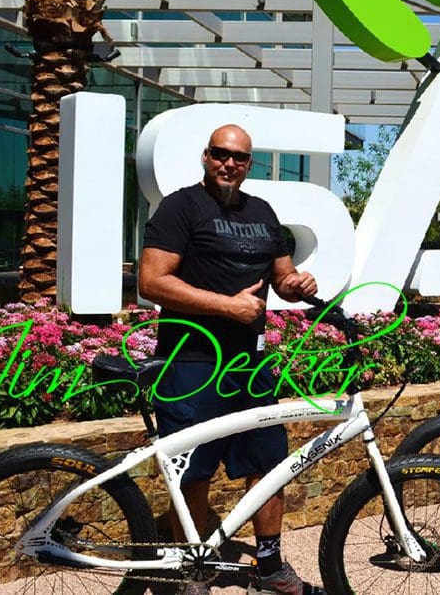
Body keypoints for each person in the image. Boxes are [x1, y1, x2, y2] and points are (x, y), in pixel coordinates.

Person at [139, 124, 323, 595]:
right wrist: (227, 306)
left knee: (268, 461)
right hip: (191, 361)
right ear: (206, 156)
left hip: (250, 365)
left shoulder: (262, 213)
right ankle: (192, 571)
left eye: (239, 158)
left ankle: (269, 564)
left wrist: (297, 285)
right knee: (194, 469)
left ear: (248, 163)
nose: (229, 164)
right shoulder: (179, 208)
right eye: (221, 154)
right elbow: (152, 281)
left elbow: (281, 276)